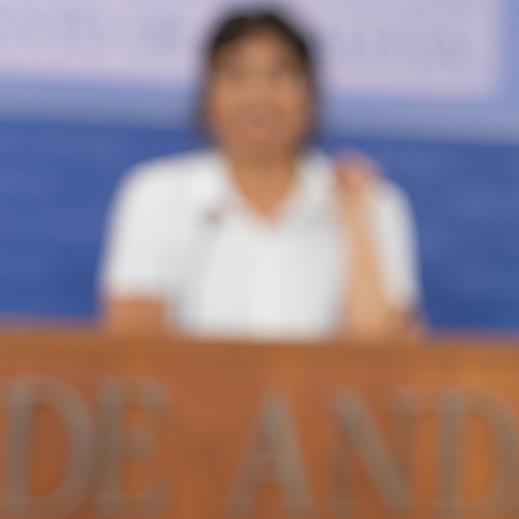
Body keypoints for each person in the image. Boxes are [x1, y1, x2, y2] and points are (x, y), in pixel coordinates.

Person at [99, 9, 419, 341]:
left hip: (320, 395)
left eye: (279, 76)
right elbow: (133, 349)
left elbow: (383, 359)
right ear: (207, 97)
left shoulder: (371, 201)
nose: (258, 96)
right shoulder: (156, 196)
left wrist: (354, 220)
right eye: (236, 76)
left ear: (310, 95)